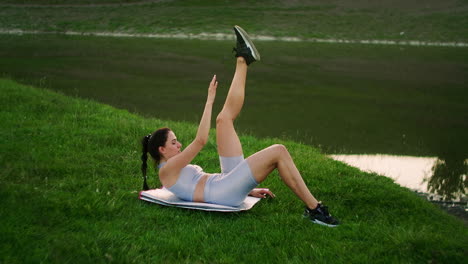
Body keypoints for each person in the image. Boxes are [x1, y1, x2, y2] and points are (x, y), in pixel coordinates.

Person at [141, 26, 339, 227]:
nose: (179, 144)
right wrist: (209, 100)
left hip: (224, 185)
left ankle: (243, 59)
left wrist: (247, 190)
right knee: (279, 151)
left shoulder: (171, 169)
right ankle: (316, 210)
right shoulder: (166, 171)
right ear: (162, 150)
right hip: (223, 192)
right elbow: (200, 141)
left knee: (223, 120)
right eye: (174, 143)